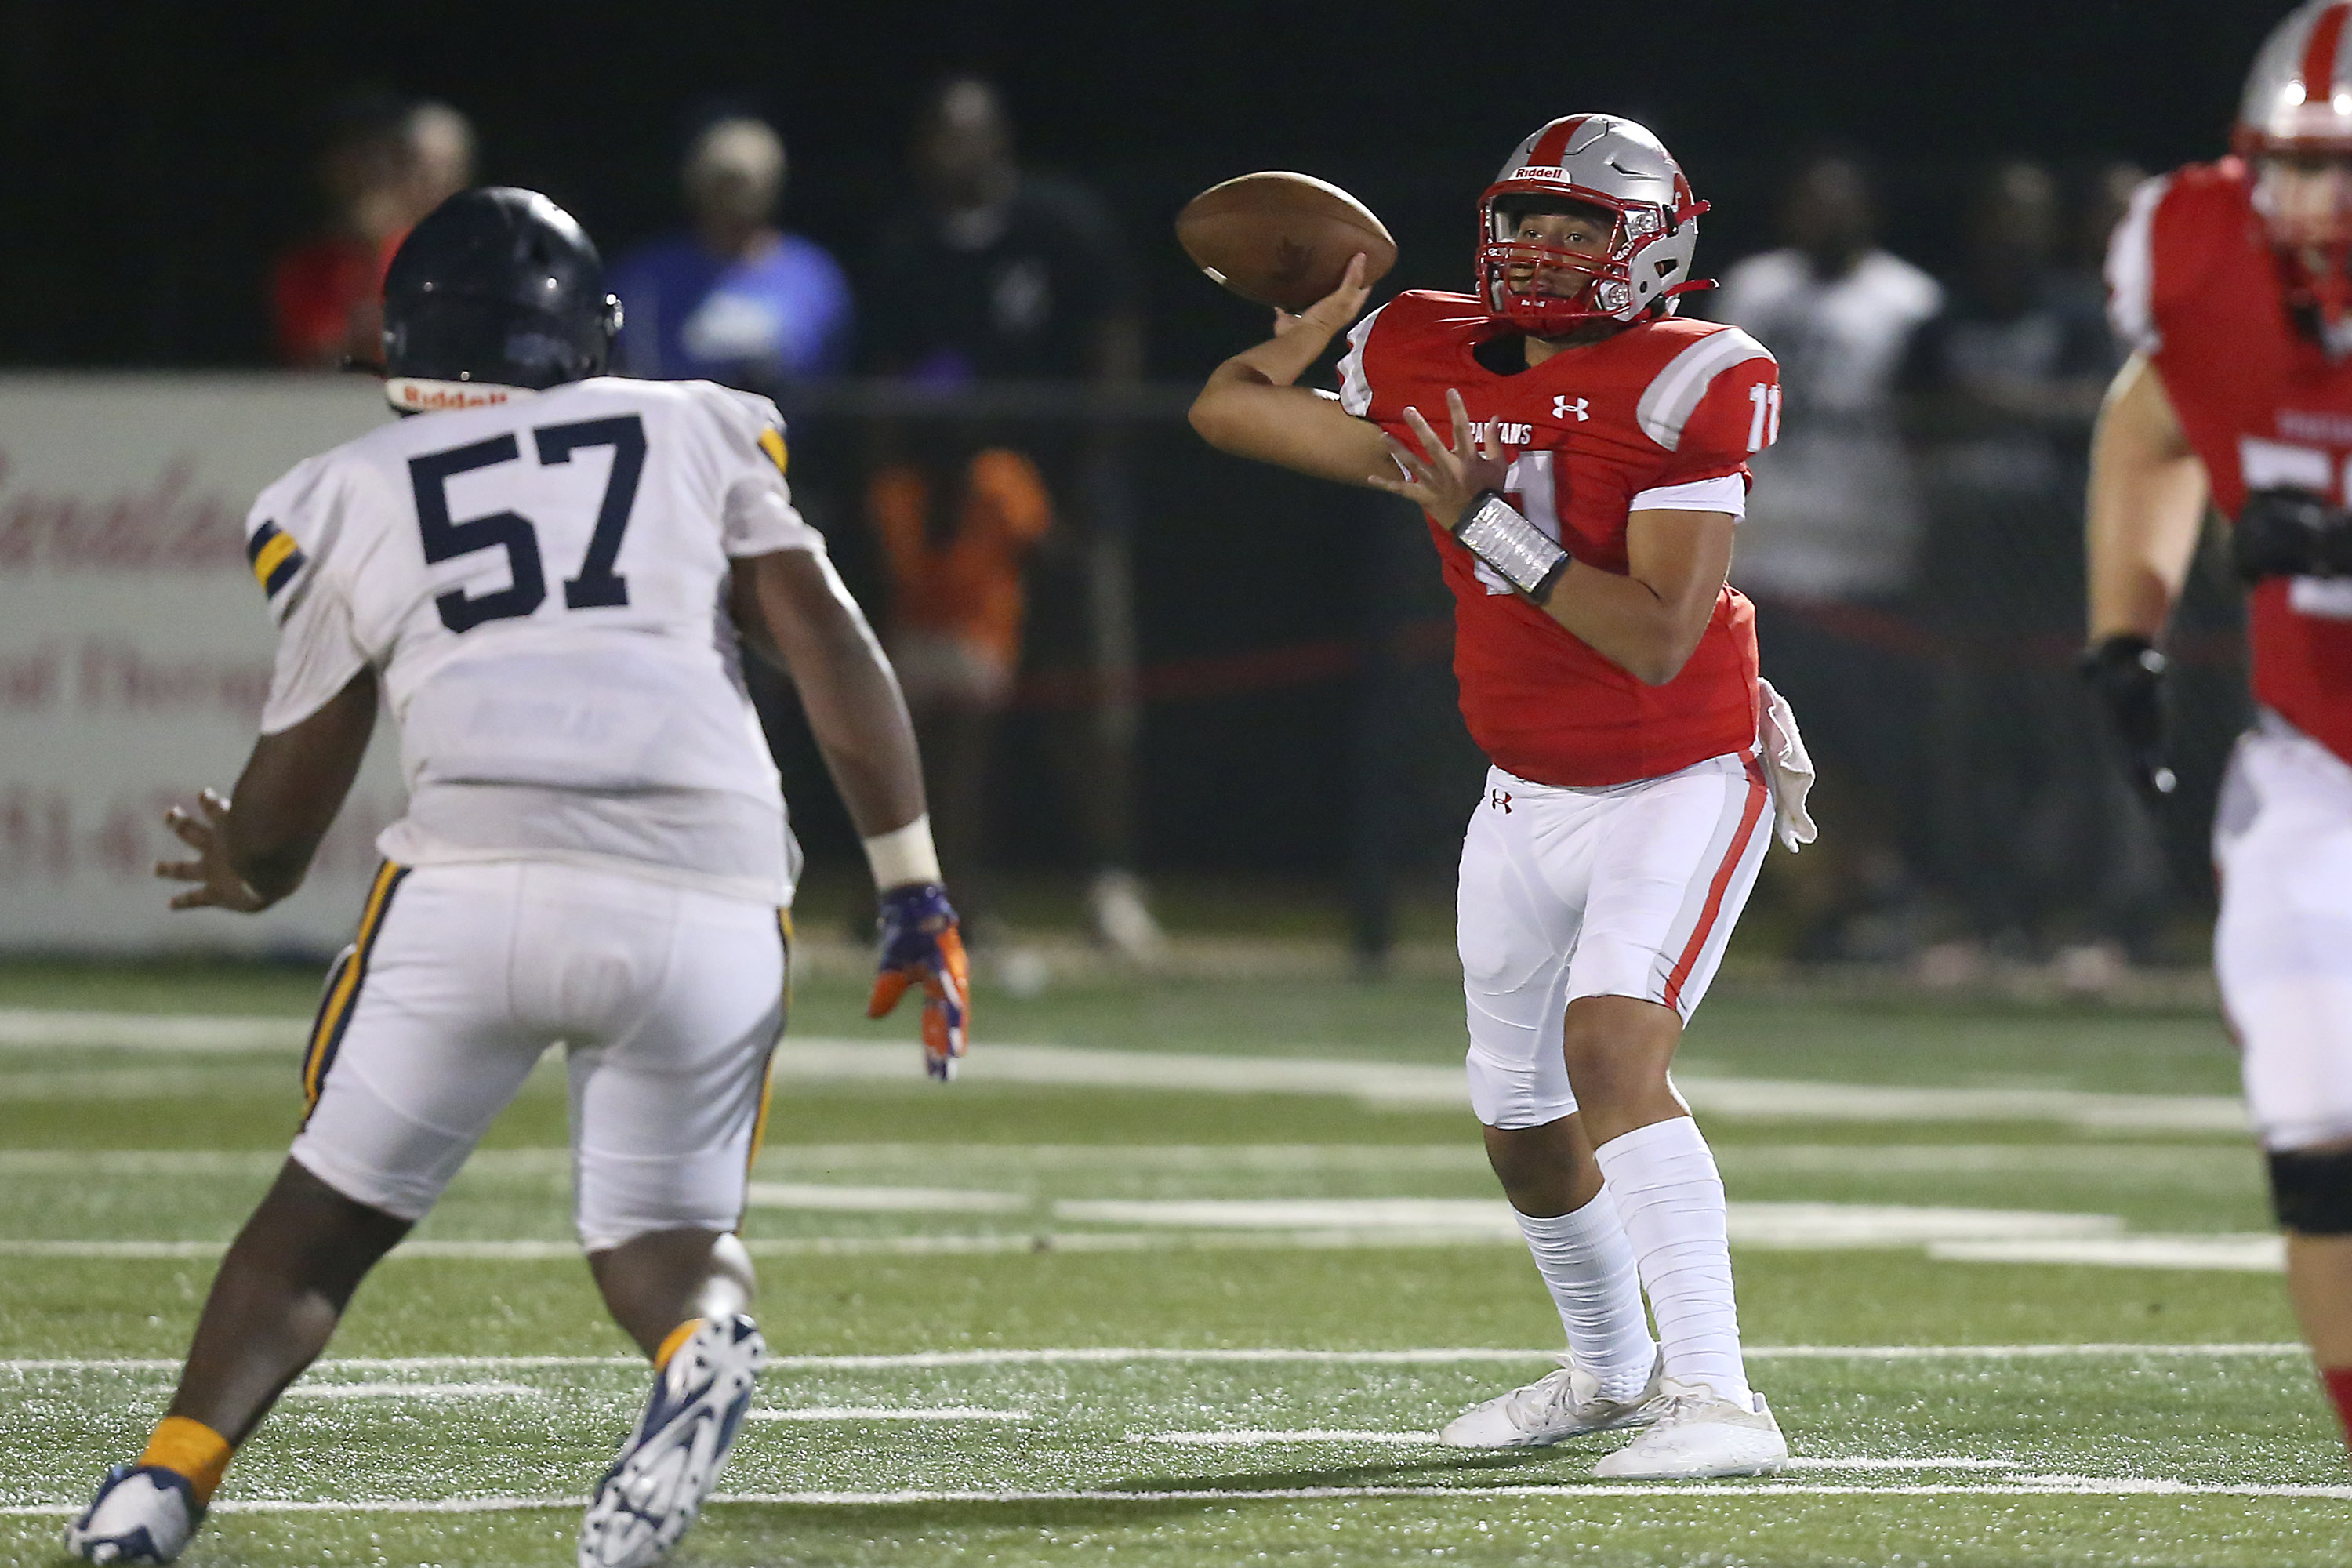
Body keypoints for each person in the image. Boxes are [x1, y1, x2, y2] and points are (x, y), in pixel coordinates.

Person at [64, 187, 967, 1567]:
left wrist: (248, 868)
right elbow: (833, 651)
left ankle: (162, 1488)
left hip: (479, 881)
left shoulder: (345, 491)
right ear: (590, 335)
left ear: (406, 343)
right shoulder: (694, 425)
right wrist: (914, 890)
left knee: (322, 1222)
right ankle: (701, 1343)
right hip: (709, 883)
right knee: (665, 1235)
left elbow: (290, 796)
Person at [1190, 114, 1810, 1478]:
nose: (1540, 246)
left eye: (1577, 226)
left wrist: (1484, 523)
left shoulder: (1690, 377)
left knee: (1611, 1057)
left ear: (1650, 251)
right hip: (1524, 792)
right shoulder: (1425, 349)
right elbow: (1227, 408)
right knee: (1522, 1130)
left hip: (1680, 773)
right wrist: (1321, 316)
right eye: (1524, 219)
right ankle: (1608, 1373)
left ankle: (1720, 1402)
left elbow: (1655, 634)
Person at [2084, 0, 2352, 1469]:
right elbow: (2154, 417)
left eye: (2343, 171)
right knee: (2314, 1128)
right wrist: (2127, 629)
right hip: (2323, 752)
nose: (2309, 207)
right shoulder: (2198, 248)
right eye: (2286, 167)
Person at [864, 76, 1160, 955]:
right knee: (953, 708)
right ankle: (950, 888)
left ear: (1003, 141)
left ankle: (1110, 883)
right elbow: (884, 387)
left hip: (1059, 503)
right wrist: (899, 510)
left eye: (974, 135)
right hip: (959, 521)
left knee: (1087, 695)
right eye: (941, 137)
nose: (957, 154)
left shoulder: (1059, 227)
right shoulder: (906, 246)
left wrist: (1090, 485)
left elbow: (1114, 346)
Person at [1903, 162, 2146, 960]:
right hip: (1964, 567)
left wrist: (1991, 404)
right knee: (1970, 745)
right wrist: (2013, 411)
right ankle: (1982, 911)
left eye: (2030, 216)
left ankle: (2092, 915)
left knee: (2074, 744)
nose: (2014, 232)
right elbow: (1908, 415)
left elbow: (2094, 409)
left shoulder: (2074, 313)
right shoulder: (1946, 315)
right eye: (2001, 215)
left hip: (2053, 562)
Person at [1712, 154, 1941, 960]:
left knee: (1861, 748)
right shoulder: (1754, 286)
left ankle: (1856, 892)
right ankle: (1806, 902)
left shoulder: (1908, 300)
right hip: (1762, 550)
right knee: (1760, 745)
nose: (1821, 217)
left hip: (1863, 556)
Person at [610, 116, 854, 389]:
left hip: (782, 430)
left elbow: (834, 373)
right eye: (724, 183)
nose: (737, 200)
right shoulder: (648, 276)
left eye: (748, 182)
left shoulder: (812, 275)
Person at [271, 96, 475, 369]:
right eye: (413, 166)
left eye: (445, 169)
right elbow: (313, 358)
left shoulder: (464, 262)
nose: (429, 182)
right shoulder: (308, 268)